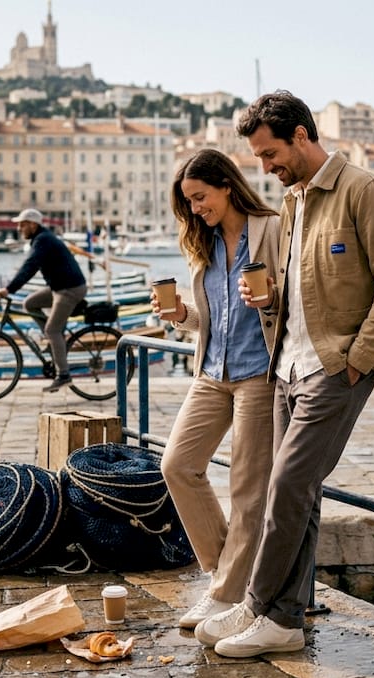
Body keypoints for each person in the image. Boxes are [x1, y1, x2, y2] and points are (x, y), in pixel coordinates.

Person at [195, 91, 374, 657]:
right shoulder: (294, 202)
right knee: (302, 495)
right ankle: (286, 622)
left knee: (286, 486)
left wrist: (356, 359)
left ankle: (256, 602)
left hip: (332, 368)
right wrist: (265, 301)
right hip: (285, 367)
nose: (264, 169)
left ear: (300, 135)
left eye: (269, 154)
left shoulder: (365, 191)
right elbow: (299, 292)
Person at [155, 149, 282, 629]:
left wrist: (270, 299)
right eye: (188, 202)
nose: (194, 209)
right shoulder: (201, 242)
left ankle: (227, 594)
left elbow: (292, 301)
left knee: (248, 489)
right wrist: (180, 316)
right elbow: (210, 317)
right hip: (211, 372)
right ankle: (225, 573)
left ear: (227, 186)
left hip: (258, 375)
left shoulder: (272, 229)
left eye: (200, 197)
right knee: (178, 465)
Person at [0, 208, 88, 392]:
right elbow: (28, 266)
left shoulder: (43, 240)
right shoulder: (41, 239)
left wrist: (9, 289)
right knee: (29, 303)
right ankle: (53, 342)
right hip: (59, 287)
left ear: (33, 224)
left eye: (22, 224)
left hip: (69, 289)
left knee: (52, 329)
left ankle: (63, 375)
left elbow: (30, 266)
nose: (19, 228)